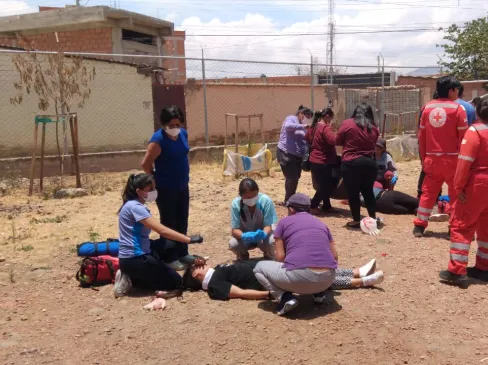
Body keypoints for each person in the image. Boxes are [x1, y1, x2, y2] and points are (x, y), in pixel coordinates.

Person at [439, 98, 488, 286]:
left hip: (478, 185)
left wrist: (458, 187)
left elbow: (464, 162)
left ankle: (456, 271)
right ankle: (485, 267)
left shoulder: (474, 132)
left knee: (461, 225)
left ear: (477, 112)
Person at [114, 173, 203, 297]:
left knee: (169, 244)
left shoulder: (130, 204)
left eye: (154, 188)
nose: (154, 191)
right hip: (135, 258)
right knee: (176, 282)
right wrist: (188, 239)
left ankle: (137, 273)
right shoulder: (136, 208)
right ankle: (132, 279)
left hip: (132, 256)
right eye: (150, 189)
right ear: (139, 191)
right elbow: (162, 231)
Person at [253, 193, 338, 316]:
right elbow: (334, 257)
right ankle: (318, 294)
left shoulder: (283, 223)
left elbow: (280, 257)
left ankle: (284, 298)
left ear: (291, 209)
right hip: (328, 279)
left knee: (259, 267)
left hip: (300, 279)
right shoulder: (322, 225)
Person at [413, 76, 468, 238]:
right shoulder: (458, 109)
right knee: (455, 194)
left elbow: (421, 137)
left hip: (431, 159)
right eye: (456, 89)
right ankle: (453, 227)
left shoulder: (427, 108)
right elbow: (464, 139)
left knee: (428, 194)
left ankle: (420, 226)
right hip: (453, 160)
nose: (458, 92)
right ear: (451, 90)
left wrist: (424, 159)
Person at [182, 257, 384, 301]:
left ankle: (357, 272)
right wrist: (270, 294)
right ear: (195, 273)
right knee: (312, 277)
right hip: (268, 277)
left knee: (311, 268)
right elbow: (240, 293)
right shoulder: (214, 286)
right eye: (198, 265)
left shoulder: (216, 270)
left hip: (268, 267)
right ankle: (361, 280)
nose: (203, 262)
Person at [141, 105, 192, 271]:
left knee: (182, 219)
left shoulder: (183, 134)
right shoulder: (158, 140)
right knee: (169, 223)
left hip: (183, 186)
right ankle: (170, 257)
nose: (175, 128)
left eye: (178, 124)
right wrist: (155, 181)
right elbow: (146, 164)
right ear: (164, 124)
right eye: (172, 125)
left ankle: (182, 252)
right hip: (166, 189)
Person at [336, 103, 380, 228]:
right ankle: (373, 218)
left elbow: (338, 142)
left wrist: (341, 158)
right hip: (370, 163)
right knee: (368, 192)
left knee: (353, 192)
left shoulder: (347, 123)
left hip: (351, 163)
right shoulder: (374, 127)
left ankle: (356, 219)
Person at [229, 178, 278, 261]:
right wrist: (244, 236)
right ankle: (243, 255)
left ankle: (269, 255)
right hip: (246, 238)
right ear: (240, 195)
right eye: (248, 197)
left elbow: (268, 225)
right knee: (233, 244)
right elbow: (235, 230)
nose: (251, 199)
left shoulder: (266, 201)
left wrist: (262, 234)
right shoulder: (236, 204)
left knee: (272, 241)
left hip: (263, 237)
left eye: (254, 196)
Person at [277, 105, 312, 204]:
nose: (308, 119)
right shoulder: (291, 119)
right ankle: (288, 200)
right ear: (301, 114)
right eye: (307, 116)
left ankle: (291, 198)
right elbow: (288, 126)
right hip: (286, 153)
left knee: (296, 177)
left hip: (297, 156)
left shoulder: (302, 125)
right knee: (292, 177)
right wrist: (303, 126)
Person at [306, 107, 338, 214]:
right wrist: (333, 130)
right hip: (323, 160)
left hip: (314, 160)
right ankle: (313, 205)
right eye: (331, 118)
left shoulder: (314, 127)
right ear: (327, 116)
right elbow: (333, 140)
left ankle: (326, 205)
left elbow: (307, 137)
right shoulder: (325, 128)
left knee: (322, 184)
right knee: (326, 185)